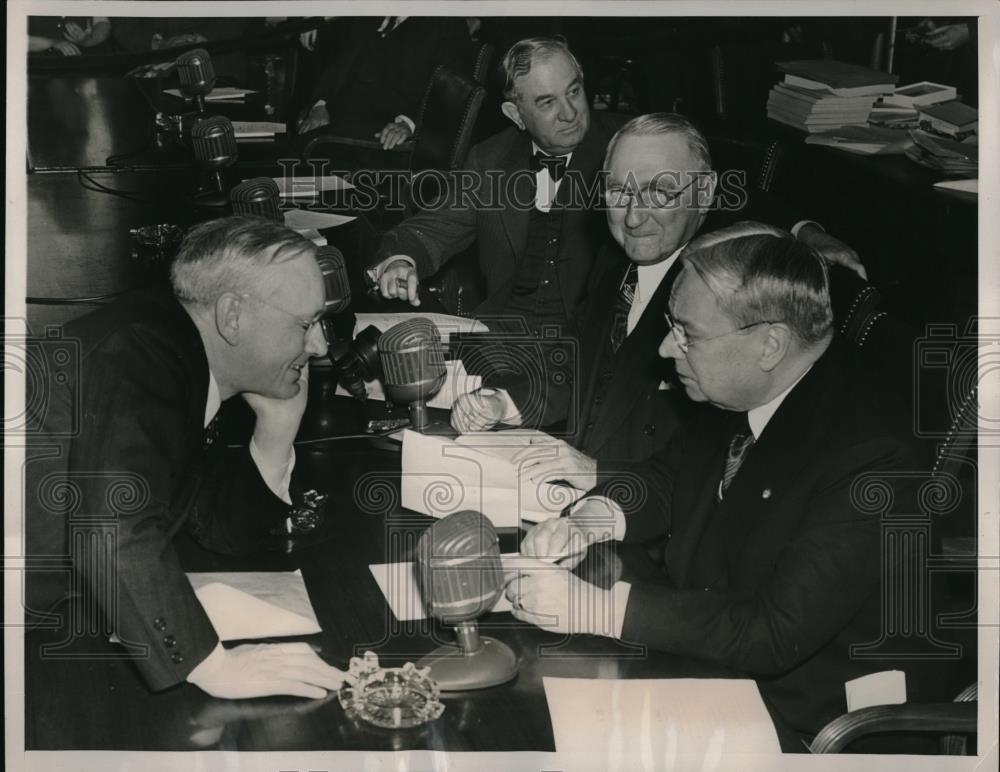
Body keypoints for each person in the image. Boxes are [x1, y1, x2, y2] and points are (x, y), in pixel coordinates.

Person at [507, 232, 944, 747]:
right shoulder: (745, 383)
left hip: (811, 722)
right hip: (713, 667)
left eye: (687, 333)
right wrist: (589, 520)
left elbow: (772, 632)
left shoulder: (873, 457)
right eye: (671, 326)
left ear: (769, 344)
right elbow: (671, 476)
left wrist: (593, 607)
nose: (668, 347)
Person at [450, 113, 865, 491]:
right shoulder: (616, 261)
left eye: (660, 193)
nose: (633, 217)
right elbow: (576, 361)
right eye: (617, 191)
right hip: (571, 487)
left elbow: (711, 464)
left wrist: (599, 478)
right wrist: (504, 401)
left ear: (704, 194)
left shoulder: (725, 302)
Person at [26, 217, 344, 700]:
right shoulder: (144, 352)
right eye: (306, 323)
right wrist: (214, 666)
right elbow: (110, 529)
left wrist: (277, 430)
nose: (319, 345)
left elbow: (218, 532)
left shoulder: (181, 354)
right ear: (232, 315)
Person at [370, 36, 624, 328]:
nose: (569, 113)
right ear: (516, 115)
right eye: (547, 103)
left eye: (574, 92)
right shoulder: (490, 160)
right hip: (503, 334)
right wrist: (400, 261)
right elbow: (432, 228)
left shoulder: (628, 150)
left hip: (592, 344)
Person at [297, 16, 471, 150]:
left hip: (380, 138)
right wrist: (320, 106)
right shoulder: (369, 15)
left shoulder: (447, 24)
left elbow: (448, 92)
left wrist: (408, 124)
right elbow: (336, 68)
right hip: (332, 126)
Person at [28, 16, 112, 56]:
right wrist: (54, 43)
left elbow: (103, 24)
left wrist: (88, 40)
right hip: (40, 63)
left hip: (80, 61)